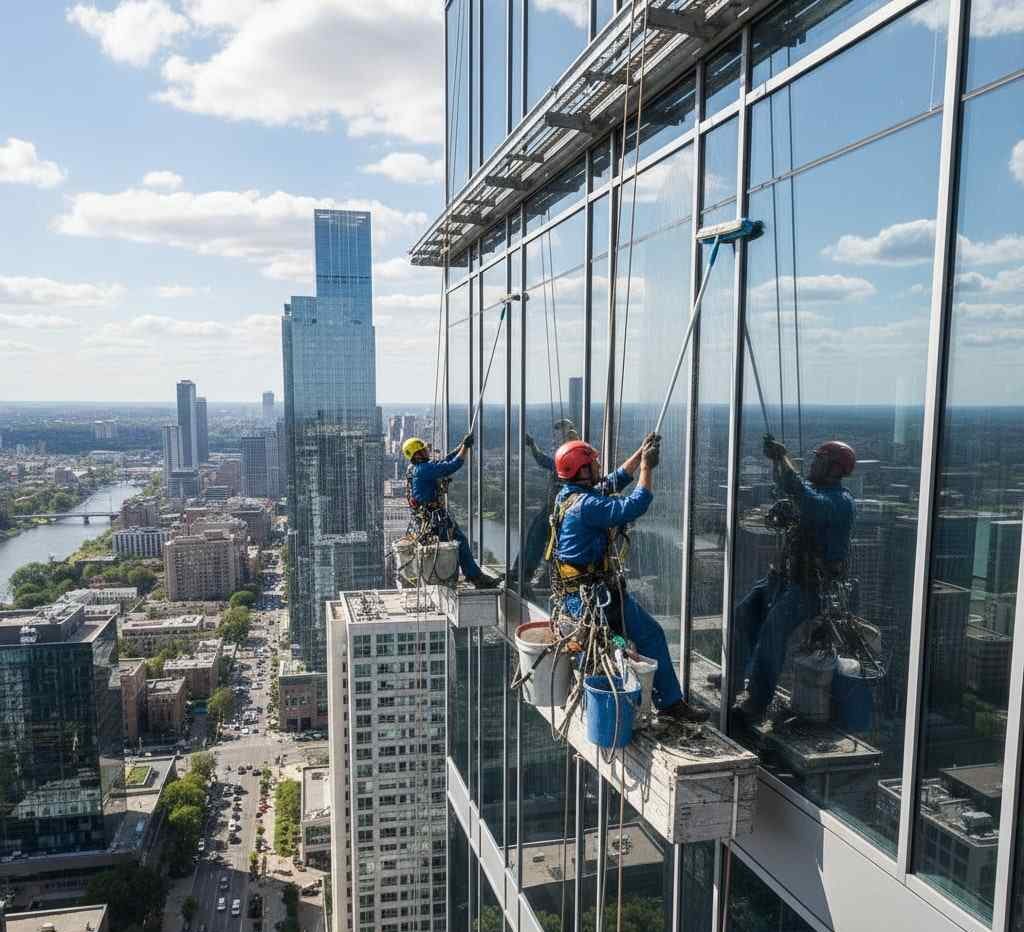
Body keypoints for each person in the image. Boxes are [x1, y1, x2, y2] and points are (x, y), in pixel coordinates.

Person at [549, 434, 708, 724]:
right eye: (592, 463)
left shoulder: (569, 496)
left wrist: (639, 452)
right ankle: (655, 705)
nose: (598, 466)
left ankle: (664, 702)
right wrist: (647, 466)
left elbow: (615, 480)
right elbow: (636, 504)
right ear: (582, 471)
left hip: (587, 595)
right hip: (594, 597)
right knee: (617, 648)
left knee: (635, 639)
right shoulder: (587, 505)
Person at [732, 437, 857, 724]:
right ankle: (736, 677)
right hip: (785, 577)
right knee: (745, 613)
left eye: (819, 460)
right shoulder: (817, 491)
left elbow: (806, 500)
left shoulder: (840, 502)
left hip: (811, 587)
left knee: (772, 633)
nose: (813, 463)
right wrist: (779, 465)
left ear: (834, 468)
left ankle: (757, 702)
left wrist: (781, 459)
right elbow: (793, 491)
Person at [402, 435, 498, 588]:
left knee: (453, 545)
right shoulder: (424, 469)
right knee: (458, 544)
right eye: (423, 450)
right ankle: (474, 578)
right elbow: (451, 466)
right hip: (435, 518)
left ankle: (468, 576)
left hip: (428, 518)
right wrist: (465, 448)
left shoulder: (415, 468)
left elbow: (444, 460)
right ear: (417, 454)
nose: (427, 451)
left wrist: (461, 445)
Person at [511, 418, 579, 587]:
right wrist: (533, 445)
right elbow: (546, 461)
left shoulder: (570, 455)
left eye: (559, 435)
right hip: (555, 505)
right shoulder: (568, 454)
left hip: (561, 507)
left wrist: (533, 445)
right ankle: (524, 572)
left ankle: (529, 574)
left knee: (545, 539)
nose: (556, 439)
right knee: (538, 536)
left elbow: (544, 461)